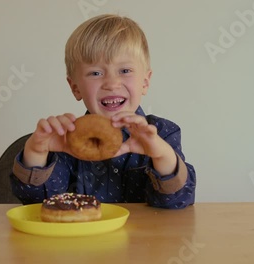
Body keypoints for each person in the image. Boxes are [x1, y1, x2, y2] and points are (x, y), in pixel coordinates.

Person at [10, 14, 196, 209]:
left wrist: (161, 155)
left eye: (125, 71)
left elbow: (178, 201)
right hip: (82, 237)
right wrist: (36, 152)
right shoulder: (66, 140)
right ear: (75, 88)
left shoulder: (163, 133)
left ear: (145, 82)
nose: (112, 84)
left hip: (145, 238)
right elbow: (38, 202)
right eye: (96, 73)